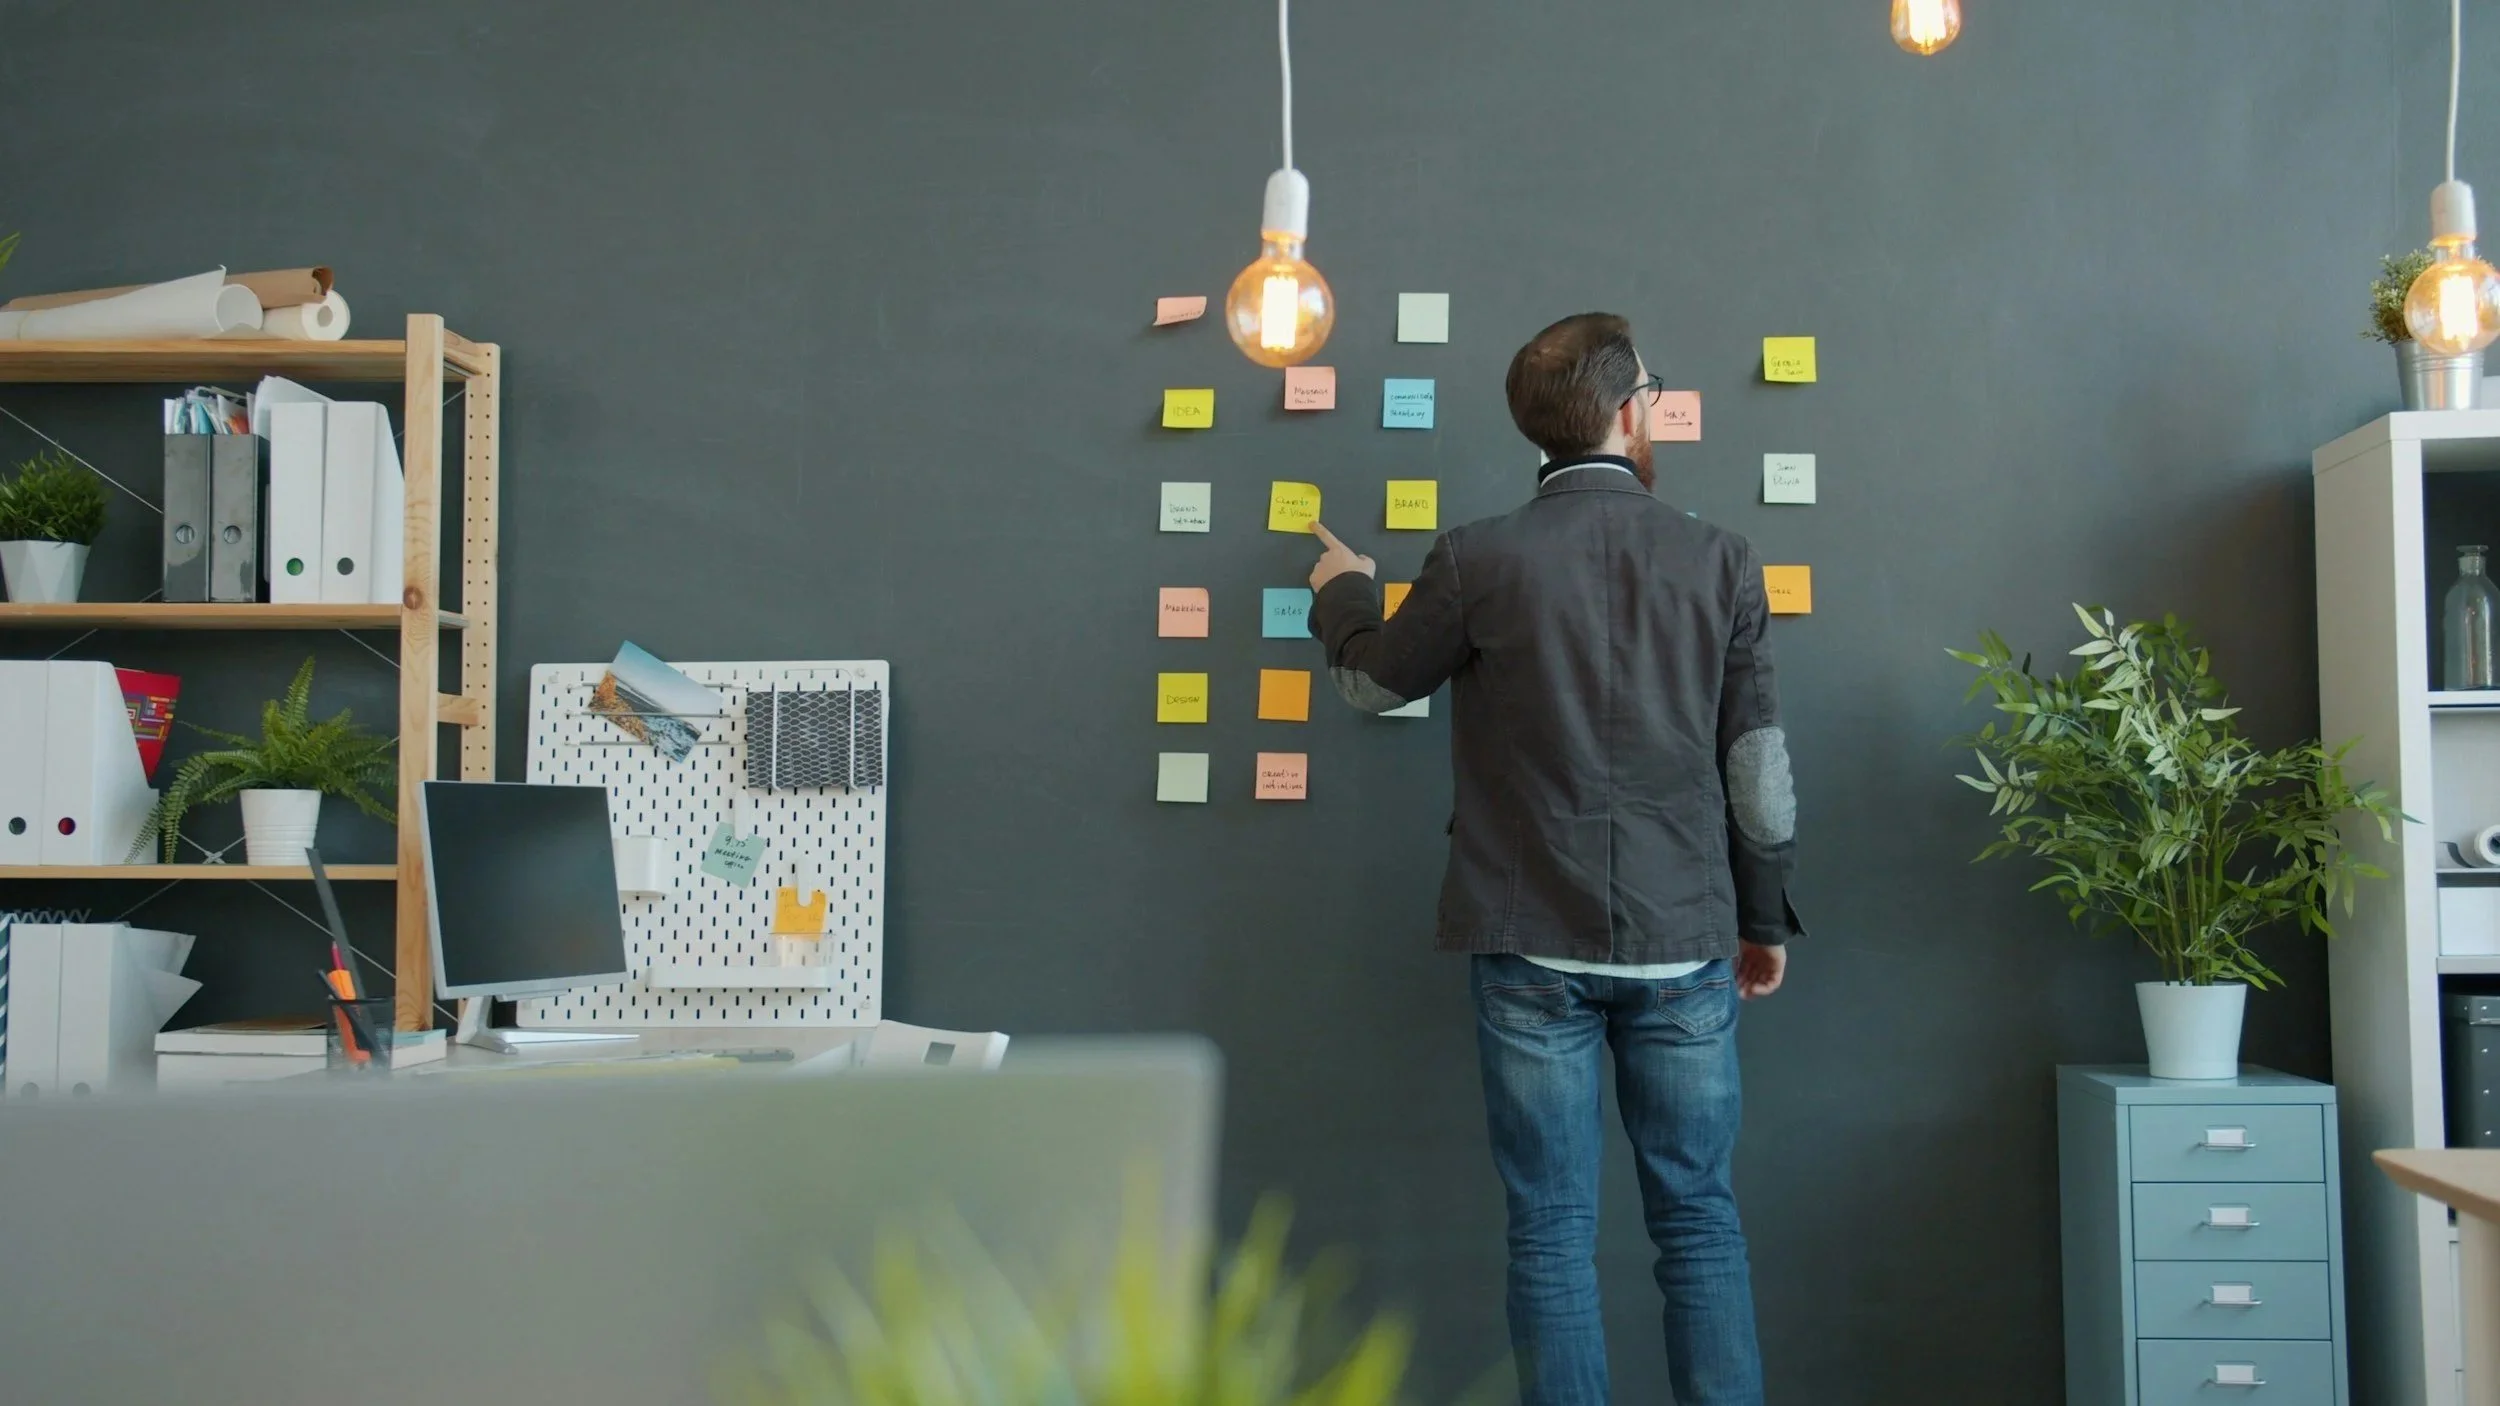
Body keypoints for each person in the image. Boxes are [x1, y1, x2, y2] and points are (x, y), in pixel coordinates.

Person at [1303, 312, 1802, 1406]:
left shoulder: (1475, 557)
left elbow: (1371, 681)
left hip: (1527, 941)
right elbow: (1757, 770)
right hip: (1684, 941)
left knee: (1548, 1233)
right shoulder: (1721, 559)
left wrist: (1342, 592)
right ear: (1628, 412)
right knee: (1699, 1221)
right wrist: (1762, 919)